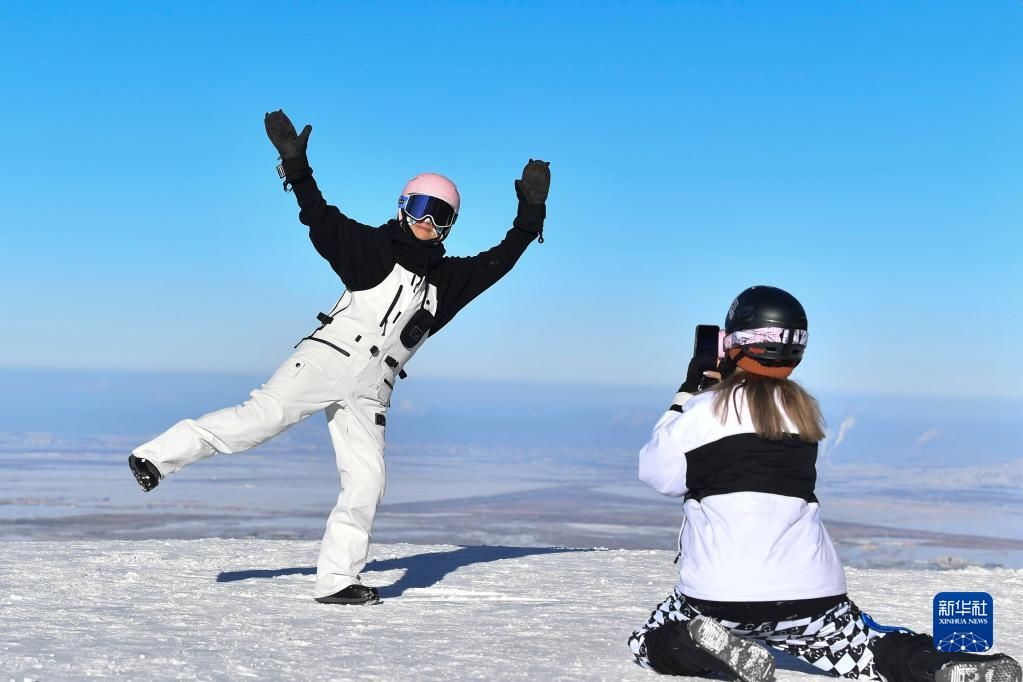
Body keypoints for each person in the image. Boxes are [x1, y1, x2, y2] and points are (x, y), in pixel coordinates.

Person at [128, 110, 551, 605]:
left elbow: (500, 260)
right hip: (326, 361)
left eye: (440, 215)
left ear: (450, 226)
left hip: (373, 390)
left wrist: (530, 215)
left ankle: (336, 580)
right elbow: (319, 216)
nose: (427, 222)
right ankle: (155, 457)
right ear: (402, 207)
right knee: (256, 422)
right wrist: (295, 164)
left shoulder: (447, 284)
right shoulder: (370, 249)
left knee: (368, 480)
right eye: (420, 207)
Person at [629, 286, 1020, 682]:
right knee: (870, 648)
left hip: (717, 595)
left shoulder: (703, 410)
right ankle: (936, 665)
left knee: (648, 640)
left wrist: (688, 391)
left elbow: (655, 471)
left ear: (733, 344)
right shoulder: (804, 415)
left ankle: (704, 648)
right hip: (809, 595)